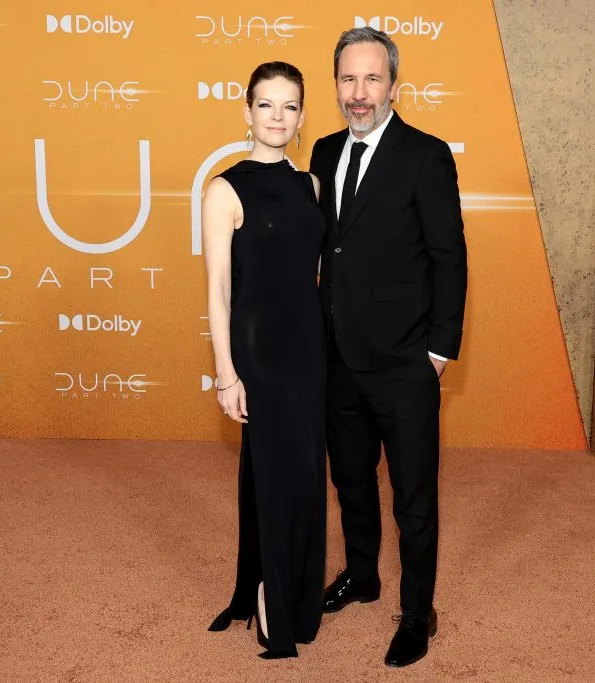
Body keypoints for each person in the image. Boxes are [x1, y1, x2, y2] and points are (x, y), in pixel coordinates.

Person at [309, 28, 468, 668]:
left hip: (405, 362)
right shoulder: (321, 152)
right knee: (349, 481)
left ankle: (418, 612)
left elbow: (449, 259)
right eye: (348, 79)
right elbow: (324, 250)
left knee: (414, 499)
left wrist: (437, 351)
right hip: (338, 357)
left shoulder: (425, 156)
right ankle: (363, 574)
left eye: (372, 79)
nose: (359, 93)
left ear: (394, 87)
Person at [203, 61, 327, 660]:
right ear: (246, 110)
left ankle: (292, 595)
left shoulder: (311, 186)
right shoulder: (224, 189)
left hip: (309, 352)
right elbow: (219, 289)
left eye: (290, 107)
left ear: (302, 115)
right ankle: (270, 602)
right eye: (266, 105)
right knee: (277, 482)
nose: (278, 117)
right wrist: (226, 373)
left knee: (304, 481)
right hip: (260, 355)